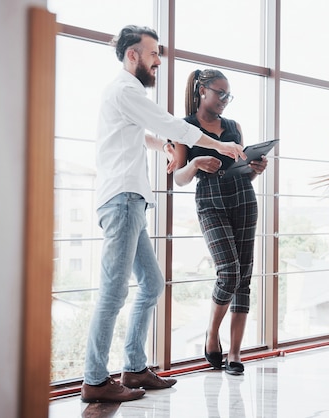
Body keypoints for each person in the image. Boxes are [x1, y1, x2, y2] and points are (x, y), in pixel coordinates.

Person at [81, 26, 246, 404]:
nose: (158, 61)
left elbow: (143, 133)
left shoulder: (126, 95)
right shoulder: (125, 88)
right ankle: (94, 379)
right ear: (132, 55)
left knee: (152, 285)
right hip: (122, 201)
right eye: (153, 53)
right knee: (114, 292)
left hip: (131, 201)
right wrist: (218, 144)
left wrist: (165, 146)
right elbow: (170, 124)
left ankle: (135, 368)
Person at [172, 68, 268, 375]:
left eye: (229, 95)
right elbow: (178, 178)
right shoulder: (185, 127)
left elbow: (244, 171)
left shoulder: (233, 126)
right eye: (220, 93)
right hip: (209, 199)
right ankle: (212, 336)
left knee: (244, 277)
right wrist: (197, 162)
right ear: (203, 90)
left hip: (243, 195)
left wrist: (255, 167)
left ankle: (236, 353)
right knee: (229, 271)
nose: (225, 100)